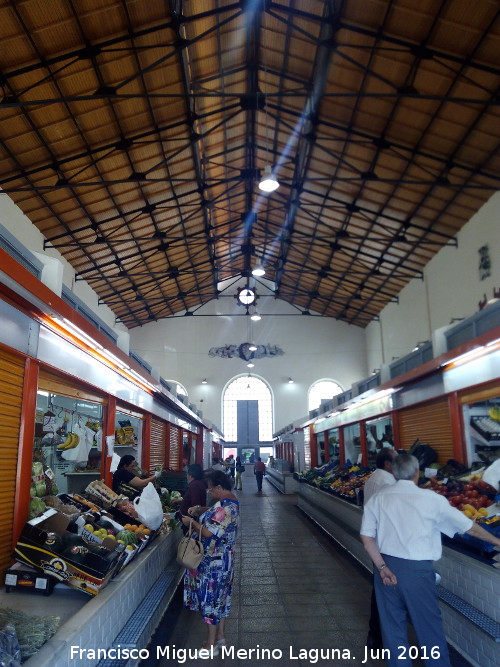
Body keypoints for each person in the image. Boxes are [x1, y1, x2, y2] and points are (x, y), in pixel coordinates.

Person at [360, 453, 500, 667]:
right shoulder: (432, 499)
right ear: (417, 473)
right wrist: (496, 541)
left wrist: (381, 566)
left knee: (392, 629)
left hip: (385, 569)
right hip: (417, 572)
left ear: (394, 473)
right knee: (428, 629)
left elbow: (366, 536)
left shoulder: (379, 498)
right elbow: (469, 528)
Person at [181, 470, 239, 656]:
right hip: (223, 560)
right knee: (220, 599)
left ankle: (210, 645)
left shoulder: (227, 508)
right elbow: (216, 514)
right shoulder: (227, 503)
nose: (209, 492)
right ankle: (221, 638)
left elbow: (207, 533)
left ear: (220, 488)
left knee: (211, 600)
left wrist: (192, 522)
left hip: (216, 563)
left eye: (211, 489)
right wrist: (200, 509)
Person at [362, 448, 398, 651]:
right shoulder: (387, 482)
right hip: (385, 541)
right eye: (395, 461)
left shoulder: (373, 478)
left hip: (375, 539)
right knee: (384, 589)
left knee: (380, 587)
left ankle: (375, 636)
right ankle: (378, 637)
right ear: (387, 464)